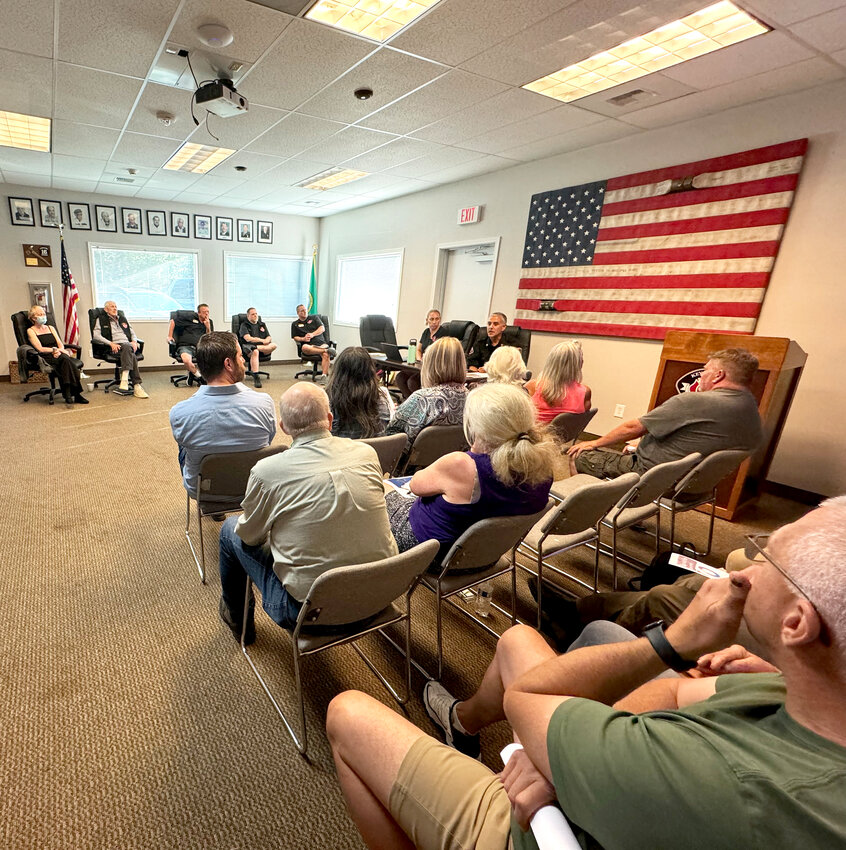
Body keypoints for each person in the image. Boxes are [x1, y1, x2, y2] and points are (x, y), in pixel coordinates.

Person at [328, 497, 846, 850]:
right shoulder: (805, 698)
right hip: (604, 775)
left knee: (346, 713)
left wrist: (676, 640)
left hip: (533, 829)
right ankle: (462, 722)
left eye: (767, 560)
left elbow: (526, 698)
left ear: (797, 623)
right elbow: (669, 695)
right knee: (517, 639)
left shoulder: (730, 787)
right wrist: (559, 757)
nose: (745, 569)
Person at [217, 383, 398, 642]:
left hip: (310, 614)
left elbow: (250, 538)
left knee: (229, 530)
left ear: (284, 427)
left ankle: (239, 621)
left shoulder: (267, 472)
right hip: (381, 595)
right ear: (329, 419)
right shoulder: (367, 453)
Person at [385, 383, 556, 556]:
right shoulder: (543, 466)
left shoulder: (464, 465)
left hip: (431, 554)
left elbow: (415, 485)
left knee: (386, 497)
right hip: (485, 556)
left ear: (480, 427)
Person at [569, 347, 763, 478]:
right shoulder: (750, 408)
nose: (702, 375)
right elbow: (698, 437)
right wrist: (643, 443)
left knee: (578, 454)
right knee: (633, 445)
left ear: (718, 375)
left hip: (653, 478)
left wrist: (593, 442)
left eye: (705, 370)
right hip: (695, 483)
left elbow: (633, 427)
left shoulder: (694, 401)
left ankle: (584, 516)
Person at [169, 332, 276, 502]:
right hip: (254, 487)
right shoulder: (264, 403)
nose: (243, 361)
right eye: (240, 356)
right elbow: (268, 441)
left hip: (205, 491)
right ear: (228, 363)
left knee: (185, 447)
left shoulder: (179, 413)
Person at [386, 337, 468, 450]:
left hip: (415, 466)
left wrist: (396, 414)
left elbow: (391, 435)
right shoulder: (472, 399)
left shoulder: (422, 399)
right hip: (454, 463)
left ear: (431, 366)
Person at [326, 346, 395, 439]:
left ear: (337, 373)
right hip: (375, 451)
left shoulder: (328, 400)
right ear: (371, 372)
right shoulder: (382, 399)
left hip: (340, 451)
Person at [25, 305, 87, 405]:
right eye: (40, 314)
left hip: (58, 353)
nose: (43, 316)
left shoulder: (50, 328)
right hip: (44, 355)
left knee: (65, 360)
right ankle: (76, 395)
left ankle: (68, 394)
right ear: (33, 318)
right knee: (66, 360)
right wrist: (55, 350)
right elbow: (40, 348)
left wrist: (60, 350)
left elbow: (60, 343)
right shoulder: (31, 331)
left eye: (44, 314)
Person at [525, 340, 591, 424]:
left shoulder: (532, 387)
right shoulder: (585, 392)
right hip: (566, 437)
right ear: (578, 364)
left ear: (551, 361)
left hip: (534, 436)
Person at [92, 300, 148, 398]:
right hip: (112, 348)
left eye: (116, 306)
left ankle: (125, 379)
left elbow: (132, 333)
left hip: (127, 346)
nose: (115, 308)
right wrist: (111, 343)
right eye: (112, 306)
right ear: (106, 309)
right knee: (131, 354)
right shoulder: (100, 319)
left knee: (127, 347)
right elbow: (96, 335)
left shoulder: (123, 319)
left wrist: (134, 341)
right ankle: (136, 386)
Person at [397, 309, 446, 399]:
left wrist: (426, 360)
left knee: (412, 382)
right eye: (431, 319)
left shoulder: (443, 333)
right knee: (400, 377)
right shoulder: (426, 332)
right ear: (427, 320)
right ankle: (409, 402)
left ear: (440, 320)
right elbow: (418, 349)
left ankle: (420, 404)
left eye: (437, 319)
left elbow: (440, 353)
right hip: (422, 365)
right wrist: (419, 359)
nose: (434, 322)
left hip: (433, 367)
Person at [167, 304, 213, 386]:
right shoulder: (189, 318)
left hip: (200, 347)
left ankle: (193, 372)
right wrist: (170, 336)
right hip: (185, 346)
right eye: (204, 312)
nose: (206, 314)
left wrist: (208, 327)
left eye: (208, 312)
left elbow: (209, 339)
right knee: (187, 361)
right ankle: (200, 377)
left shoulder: (209, 322)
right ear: (198, 313)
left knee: (212, 358)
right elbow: (173, 321)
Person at [291, 304, 334, 381]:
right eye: (302, 310)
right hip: (309, 346)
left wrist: (312, 334)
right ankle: (327, 350)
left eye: (305, 309)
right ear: (298, 313)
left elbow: (322, 328)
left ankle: (324, 376)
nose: (305, 311)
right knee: (304, 347)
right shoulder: (295, 324)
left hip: (321, 344)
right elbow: (295, 337)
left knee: (325, 355)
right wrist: (303, 339)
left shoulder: (314, 318)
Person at [238, 307, 278, 388]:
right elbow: (248, 338)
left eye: (256, 314)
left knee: (274, 345)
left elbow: (269, 337)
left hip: (261, 346)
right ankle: (256, 377)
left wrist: (266, 340)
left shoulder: (262, 324)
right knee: (255, 351)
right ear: (248, 316)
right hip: (248, 347)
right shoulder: (244, 325)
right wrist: (262, 341)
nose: (255, 315)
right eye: (253, 314)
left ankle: (257, 347)